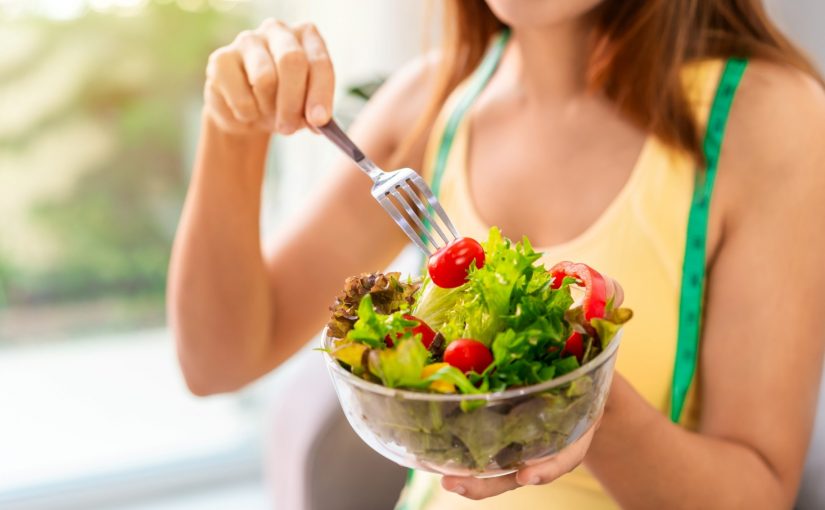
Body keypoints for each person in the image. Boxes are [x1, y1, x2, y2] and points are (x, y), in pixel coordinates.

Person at [168, 1, 825, 508]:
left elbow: (758, 492)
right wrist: (232, 130)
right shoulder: (434, 102)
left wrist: (581, 400)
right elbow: (220, 358)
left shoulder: (767, 119)